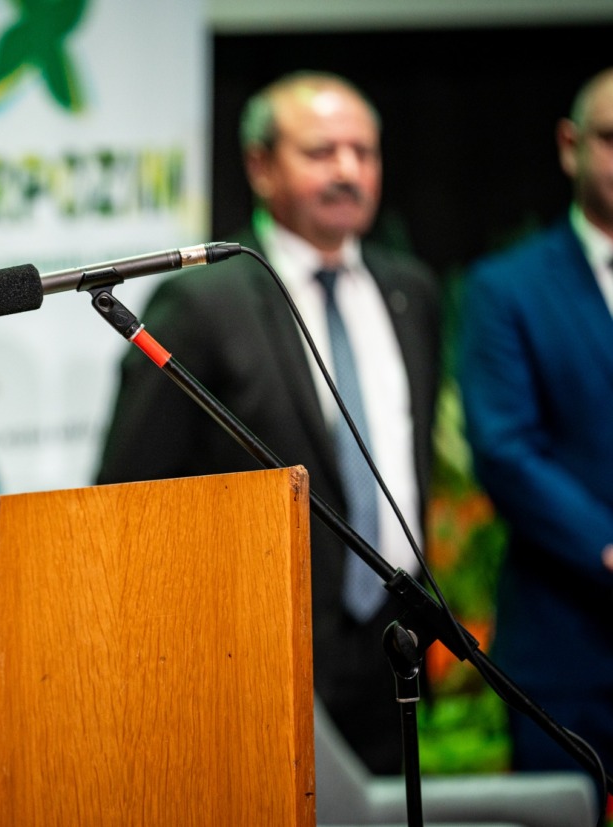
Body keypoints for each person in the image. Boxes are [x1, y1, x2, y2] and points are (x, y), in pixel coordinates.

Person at [96, 71, 441, 775]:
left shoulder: (411, 290)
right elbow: (129, 490)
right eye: (321, 152)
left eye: (363, 152)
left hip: (394, 647)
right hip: (260, 648)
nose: (348, 171)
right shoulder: (202, 302)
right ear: (260, 165)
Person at [459, 68, 613, 781]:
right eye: (611, 139)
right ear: (569, 145)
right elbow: (504, 449)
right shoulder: (507, 287)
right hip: (568, 642)